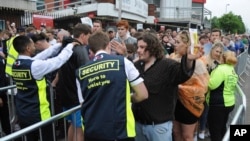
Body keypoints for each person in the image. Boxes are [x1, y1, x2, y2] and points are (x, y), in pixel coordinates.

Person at [75, 31, 148, 141]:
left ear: (90, 49)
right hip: (120, 130)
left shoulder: (80, 72)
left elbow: (83, 103)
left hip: (93, 131)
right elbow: (142, 94)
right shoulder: (123, 62)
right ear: (108, 45)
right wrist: (126, 98)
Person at [132, 32, 203, 141]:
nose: (138, 50)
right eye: (138, 47)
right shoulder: (136, 66)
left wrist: (188, 60)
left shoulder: (168, 65)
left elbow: (182, 73)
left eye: (142, 47)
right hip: (138, 124)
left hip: (159, 128)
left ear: (152, 48)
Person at [11, 35, 77, 141]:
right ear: (28, 48)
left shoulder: (17, 64)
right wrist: (69, 47)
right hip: (39, 114)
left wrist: (60, 45)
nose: (35, 47)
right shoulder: (34, 66)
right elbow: (58, 61)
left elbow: (43, 55)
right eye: (32, 44)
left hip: (23, 112)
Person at [170, 31, 209, 141]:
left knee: (187, 136)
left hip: (189, 104)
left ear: (187, 45)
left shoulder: (198, 63)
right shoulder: (172, 58)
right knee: (176, 133)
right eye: (175, 42)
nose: (175, 44)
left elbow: (203, 87)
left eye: (178, 42)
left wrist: (182, 88)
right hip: (174, 102)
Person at [57, 23, 91, 141]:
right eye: (88, 36)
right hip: (76, 96)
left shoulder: (65, 46)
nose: (89, 39)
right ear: (82, 35)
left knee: (72, 125)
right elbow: (85, 73)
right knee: (79, 129)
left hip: (66, 94)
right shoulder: (80, 49)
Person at [207, 50, 238, 141]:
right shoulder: (231, 69)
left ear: (222, 58)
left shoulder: (220, 69)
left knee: (215, 131)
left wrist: (205, 76)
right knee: (222, 127)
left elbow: (212, 85)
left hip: (218, 104)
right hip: (229, 102)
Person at [198, 41, 225, 140]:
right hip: (202, 89)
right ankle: (201, 130)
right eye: (216, 51)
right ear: (212, 49)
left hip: (213, 92)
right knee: (203, 110)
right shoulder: (204, 59)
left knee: (209, 111)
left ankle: (206, 129)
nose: (217, 53)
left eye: (220, 52)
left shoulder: (220, 63)